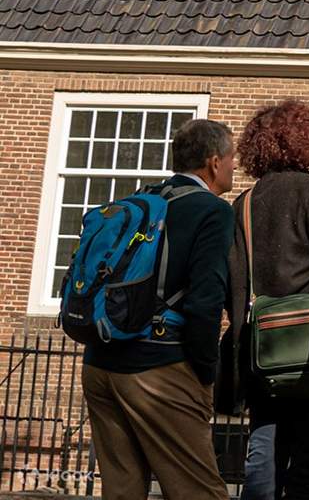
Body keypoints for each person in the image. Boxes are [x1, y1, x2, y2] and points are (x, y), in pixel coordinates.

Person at [81, 118, 236, 500]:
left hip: (100, 364)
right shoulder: (212, 211)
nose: (236, 166)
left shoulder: (139, 200)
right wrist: (205, 371)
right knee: (199, 492)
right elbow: (205, 300)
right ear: (214, 162)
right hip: (159, 369)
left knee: (122, 490)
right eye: (233, 157)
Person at [226, 99, 309, 500]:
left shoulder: (243, 204)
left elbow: (234, 287)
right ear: (305, 141)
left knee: (262, 460)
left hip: (263, 358)